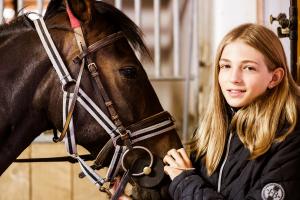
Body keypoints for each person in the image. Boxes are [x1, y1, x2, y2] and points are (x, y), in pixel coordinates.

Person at [163, 23, 300, 200]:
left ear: (274, 78)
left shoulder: (291, 137)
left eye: (248, 68)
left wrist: (184, 182)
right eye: (226, 66)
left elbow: (187, 188)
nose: (234, 78)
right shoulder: (212, 129)